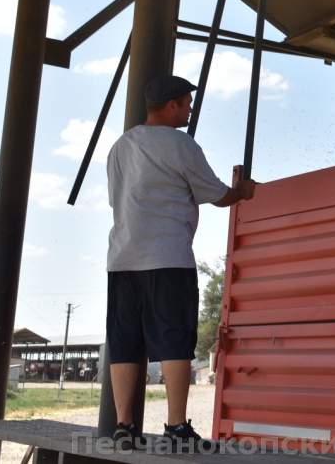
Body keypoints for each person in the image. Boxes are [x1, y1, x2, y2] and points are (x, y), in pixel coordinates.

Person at [105, 74, 255, 452]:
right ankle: (175, 426)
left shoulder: (121, 147)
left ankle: (124, 426)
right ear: (171, 105)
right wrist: (242, 191)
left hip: (122, 259)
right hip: (168, 257)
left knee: (125, 341)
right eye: (186, 103)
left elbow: (117, 198)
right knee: (175, 340)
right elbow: (216, 194)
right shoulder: (182, 145)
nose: (189, 109)